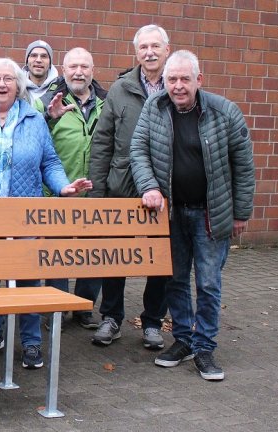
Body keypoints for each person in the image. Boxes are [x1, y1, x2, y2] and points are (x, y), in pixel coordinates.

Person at [130, 50, 255, 381]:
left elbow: (244, 166)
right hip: (171, 214)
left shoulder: (225, 112)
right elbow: (138, 150)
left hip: (210, 214)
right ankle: (183, 339)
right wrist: (149, 186)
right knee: (175, 280)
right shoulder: (154, 108)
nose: (178, 86)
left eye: (185, 79)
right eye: (172, 79)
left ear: (199, 79)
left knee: (209, 283)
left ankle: (204, 347)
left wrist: (241, 212)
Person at [0, 58, 92, 367]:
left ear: (18, 85)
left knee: (27, 278)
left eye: (8, 79)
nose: (1, 84)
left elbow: (49, 161)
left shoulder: (34, 119)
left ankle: (31, 341)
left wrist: (63, 187)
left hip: (25, 212)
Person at [89, 24, 172, 351]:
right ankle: (111, 317)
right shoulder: (120, 89)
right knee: (115, 257)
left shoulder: (177, 85)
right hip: (121, 187)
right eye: (143, 47)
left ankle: (152, 322)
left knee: (161, 260)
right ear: (136, 53)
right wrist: (97, 193)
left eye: (155, 46)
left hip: (164, 189)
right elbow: (102, 142)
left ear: (167, 49)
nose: (149, 53)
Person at [37, 47, 107, 338]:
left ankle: (84, 306)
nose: (79, 72)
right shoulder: (47, 101)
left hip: (95, 191)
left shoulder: (106, 103)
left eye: (84, 67)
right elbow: (36, 138)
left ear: (92, 70)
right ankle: (58, 306)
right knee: (58, 252)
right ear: (63, 70)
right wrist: (50, 117)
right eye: (73, 67)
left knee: (94, 252)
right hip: (59, 191)